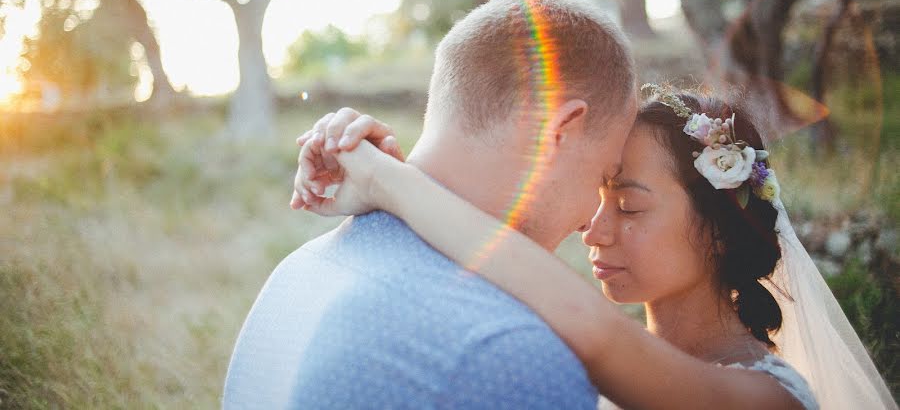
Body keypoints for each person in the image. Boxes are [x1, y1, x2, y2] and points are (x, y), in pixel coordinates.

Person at [294, 90, 897, 409]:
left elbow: (598, 333)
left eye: (630, 208)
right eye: (598, 194)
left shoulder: (768, 399)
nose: (594, 229)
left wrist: (390, 183)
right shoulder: (582, 342)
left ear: (719, 229)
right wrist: (389, 173)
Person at [223, 0, 638, 409]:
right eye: (603, 176)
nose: (591, 219)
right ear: (560, 131)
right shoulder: (504, 348)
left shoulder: (299, 270)